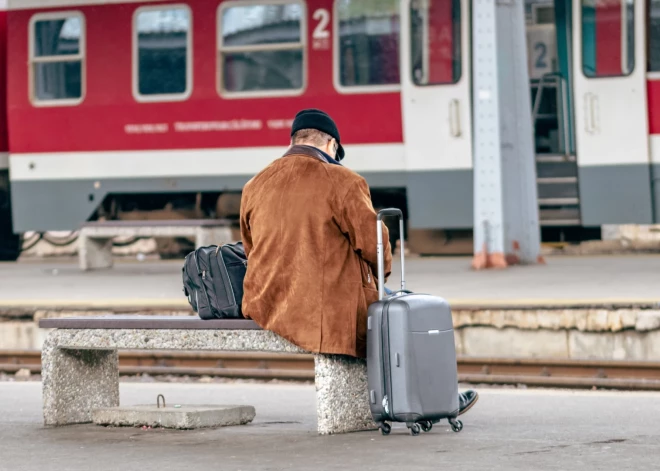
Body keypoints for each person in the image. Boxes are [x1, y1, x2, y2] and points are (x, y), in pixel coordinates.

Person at [239, 108, 478, 415]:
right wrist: (382, 280)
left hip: (266, 304)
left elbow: (250, 248)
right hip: (321, 310)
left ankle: (421, 397)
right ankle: (437, 400)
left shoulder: (255, 184)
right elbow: (376, 245)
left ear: (294, 141)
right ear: (331, 145)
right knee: (405, 312)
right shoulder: (342, 180)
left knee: (392, 309)